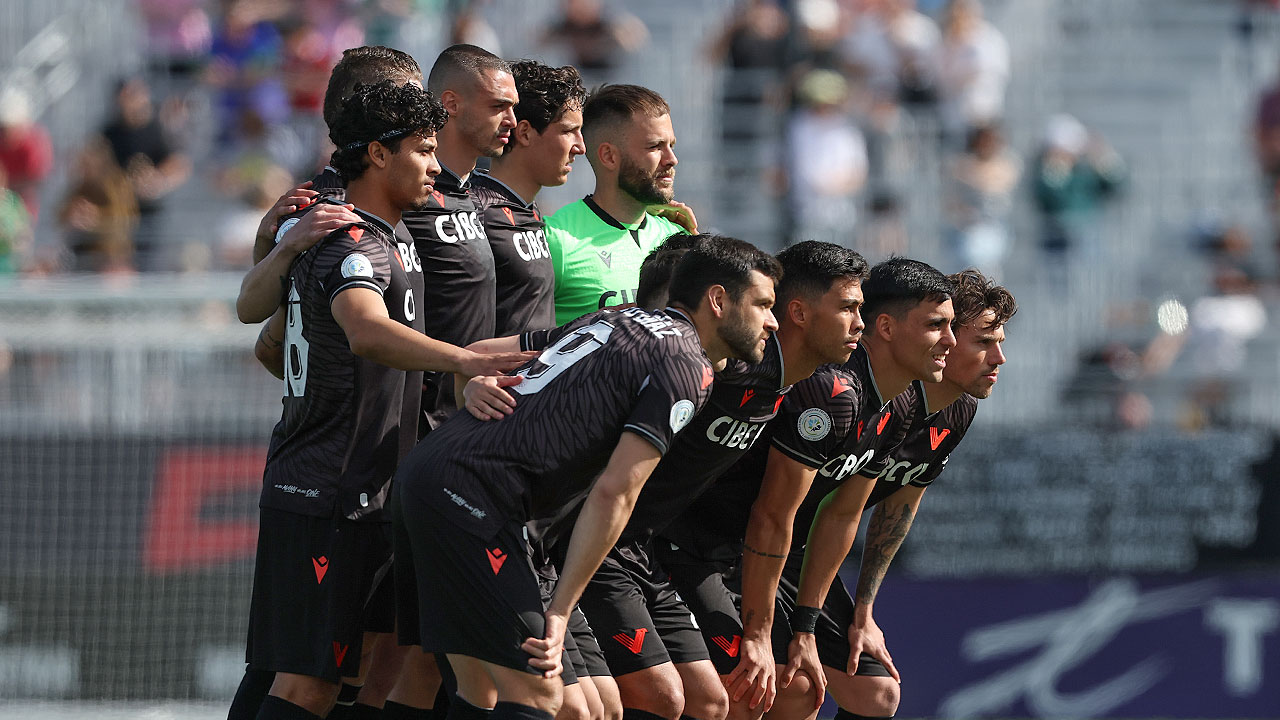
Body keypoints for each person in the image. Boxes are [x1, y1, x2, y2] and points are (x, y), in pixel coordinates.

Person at [392, 237, 781, 720]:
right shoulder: (686, 365)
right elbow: (616, 492)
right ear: (719, 301)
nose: (773, 321)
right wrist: (558, 611)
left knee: (481, 692)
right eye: (763, 305)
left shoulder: (617, 317)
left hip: (430, 477)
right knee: (540, 697)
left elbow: (481, 354)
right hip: (477, 502)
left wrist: (472, 386)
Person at [570, 241, 870, 720]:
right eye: (849, 308)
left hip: (649, 547)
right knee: (646, 698)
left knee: (725, 699)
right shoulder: (726, 367)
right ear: (797, 312)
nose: (862, 323)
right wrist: (480, 367)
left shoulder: (797, 387)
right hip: (601, 536)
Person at [655, 258, 958, 719]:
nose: (950, 343)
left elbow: (842, 515)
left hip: (745, 551)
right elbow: (772, 515)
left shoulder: (902, 404)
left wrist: (809, 627)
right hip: (690, 545)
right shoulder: (831, 391)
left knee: (843, 692)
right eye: (937, 325)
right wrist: (766, 634)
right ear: (887, 327)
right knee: (744, 693)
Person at [236, 79, 451, 720]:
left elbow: (274, 338)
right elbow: (305, 325)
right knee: (306, 682)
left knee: (367, 673)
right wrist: (468, 360)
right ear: (379, 152)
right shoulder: (337, 225)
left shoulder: (392, 228)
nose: (435, 166)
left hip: (375, 482)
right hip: (327, 484)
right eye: (424, 148)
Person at [776, 268, 1013, 720]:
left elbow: (898, 508)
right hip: (762, 545)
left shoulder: (957, 412)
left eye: (999, 342)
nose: (999, 358)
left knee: (877, 695)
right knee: (793, 692)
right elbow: (835, 511)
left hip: (803, 555)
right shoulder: (885, 398)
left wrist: (863, 612)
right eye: (983, 342)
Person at [545, 84, 689, 326]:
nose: (671, 159)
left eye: (671, 145)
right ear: (609, 156)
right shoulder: (556, 240)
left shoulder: (677, 237)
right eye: (655, 146)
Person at [471, 60, 588, 337]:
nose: (581, 147)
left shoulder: (527, 210)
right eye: (568, 131)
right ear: (524, 133)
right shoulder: (472, 212)